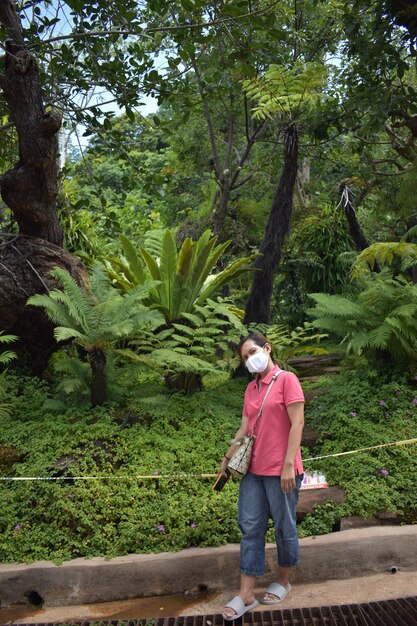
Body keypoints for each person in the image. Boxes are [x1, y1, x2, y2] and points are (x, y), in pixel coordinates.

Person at [219, 332, 305, 621]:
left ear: (267, 348)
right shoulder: (250, 389)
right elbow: (244, 428)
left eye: (253, 351)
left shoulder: (287, 380)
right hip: (253, 473)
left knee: (284, 527)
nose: (250, 359)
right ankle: (246, 594)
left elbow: (298, 423)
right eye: (245, 357)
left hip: (282, 472)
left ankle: (283, 580)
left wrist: (287, 465)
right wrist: (227, 458)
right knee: (250, 529)